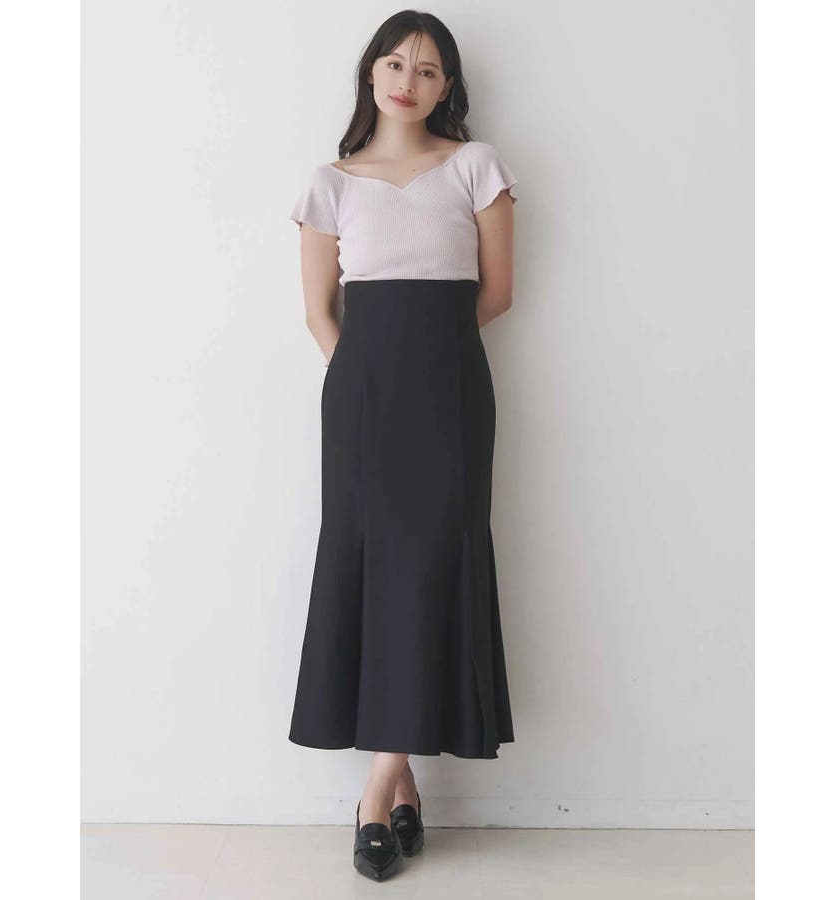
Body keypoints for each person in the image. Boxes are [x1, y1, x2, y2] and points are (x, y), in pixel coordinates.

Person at [288, 10, 517, 881]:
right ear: (370, 73)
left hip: (450, 390)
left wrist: (428, 354)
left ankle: (377, 789)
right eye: (394, 63)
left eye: (427, 70)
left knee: (433, 562)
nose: (407, 82)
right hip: (361, 398)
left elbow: (497, 293)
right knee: (372, 564)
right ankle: (401, 783)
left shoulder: (476, 165)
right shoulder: (330, 182)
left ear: (447, 85)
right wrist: (366, 370)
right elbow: (320, 311)